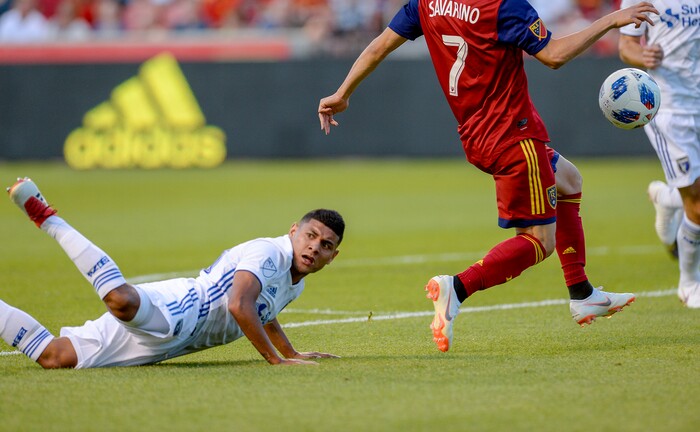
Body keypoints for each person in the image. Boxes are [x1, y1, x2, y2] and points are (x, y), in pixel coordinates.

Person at [318, 0, 658, 352]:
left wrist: (343, 93)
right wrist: (611, 20)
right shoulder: (503, 6)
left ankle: (582, 292)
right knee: (539, 242)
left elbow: (378, 46)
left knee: (569, 180)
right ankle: (457, 287)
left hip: (477, 134)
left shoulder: (427, 4)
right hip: (513, 136)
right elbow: (554, 55)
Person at [0, 177, 344, 368]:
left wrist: (290, 351)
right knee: (120, 301)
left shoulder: (294, 283)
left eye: (325, 245)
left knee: (54, 357)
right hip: (185, 309)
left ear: (333, 255)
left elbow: (264, 310)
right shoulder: (269, 252)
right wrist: (275, 360)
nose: (315, 247)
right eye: (310, 236)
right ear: (293, 231)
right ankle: (48, 219)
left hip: (170, 348)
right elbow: (241, 304)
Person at [618, 0, 700, 308]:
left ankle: (667, 199)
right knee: (698, 204)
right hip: (670, 108)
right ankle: (689, 283)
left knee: (692, 195)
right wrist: (642, 54)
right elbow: (626, 45)